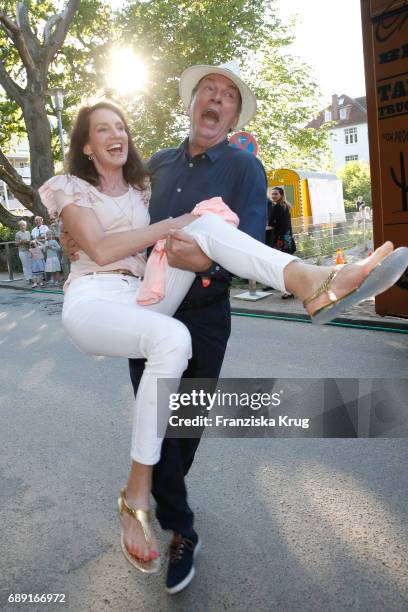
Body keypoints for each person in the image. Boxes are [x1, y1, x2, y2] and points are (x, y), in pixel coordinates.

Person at [58, 65, 408, 595]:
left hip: (204, 314)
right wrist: (76, 236)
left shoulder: (246, 167)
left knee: (185, 428)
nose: (215, 101)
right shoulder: (153, 166)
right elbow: (111, 217)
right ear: (192, 102)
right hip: (146, 306)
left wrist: (203, 261)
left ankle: (155, 496)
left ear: (234, 117)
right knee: (160, 419)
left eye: (227, 97)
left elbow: (246, 244)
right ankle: (181, 530)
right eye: (208, 91)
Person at [267, 186, 296, 299]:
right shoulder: (285, 206)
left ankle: (288, 291)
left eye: (276, 194)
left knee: (282, 267)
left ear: (281, 195)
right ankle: (291, 289)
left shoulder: (277, 207)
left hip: (281, 240)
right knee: (287, 266)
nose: (273, 196)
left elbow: (271, 222)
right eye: (272, 194)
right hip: (287, 239)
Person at [15, 220, 32, 284]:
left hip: (29, 250)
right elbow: (16, 243)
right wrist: (21, 242)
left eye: (24, 225)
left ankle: (31, 278)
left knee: (30, 264)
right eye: (21, 225)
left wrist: (28, 242)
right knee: (25, 265)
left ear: (26, 226)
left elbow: (29, 241)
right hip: (22, 251)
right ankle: (28, 278)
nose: (22, 226)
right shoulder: (17, 233)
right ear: (19, 227)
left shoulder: (28, 232)